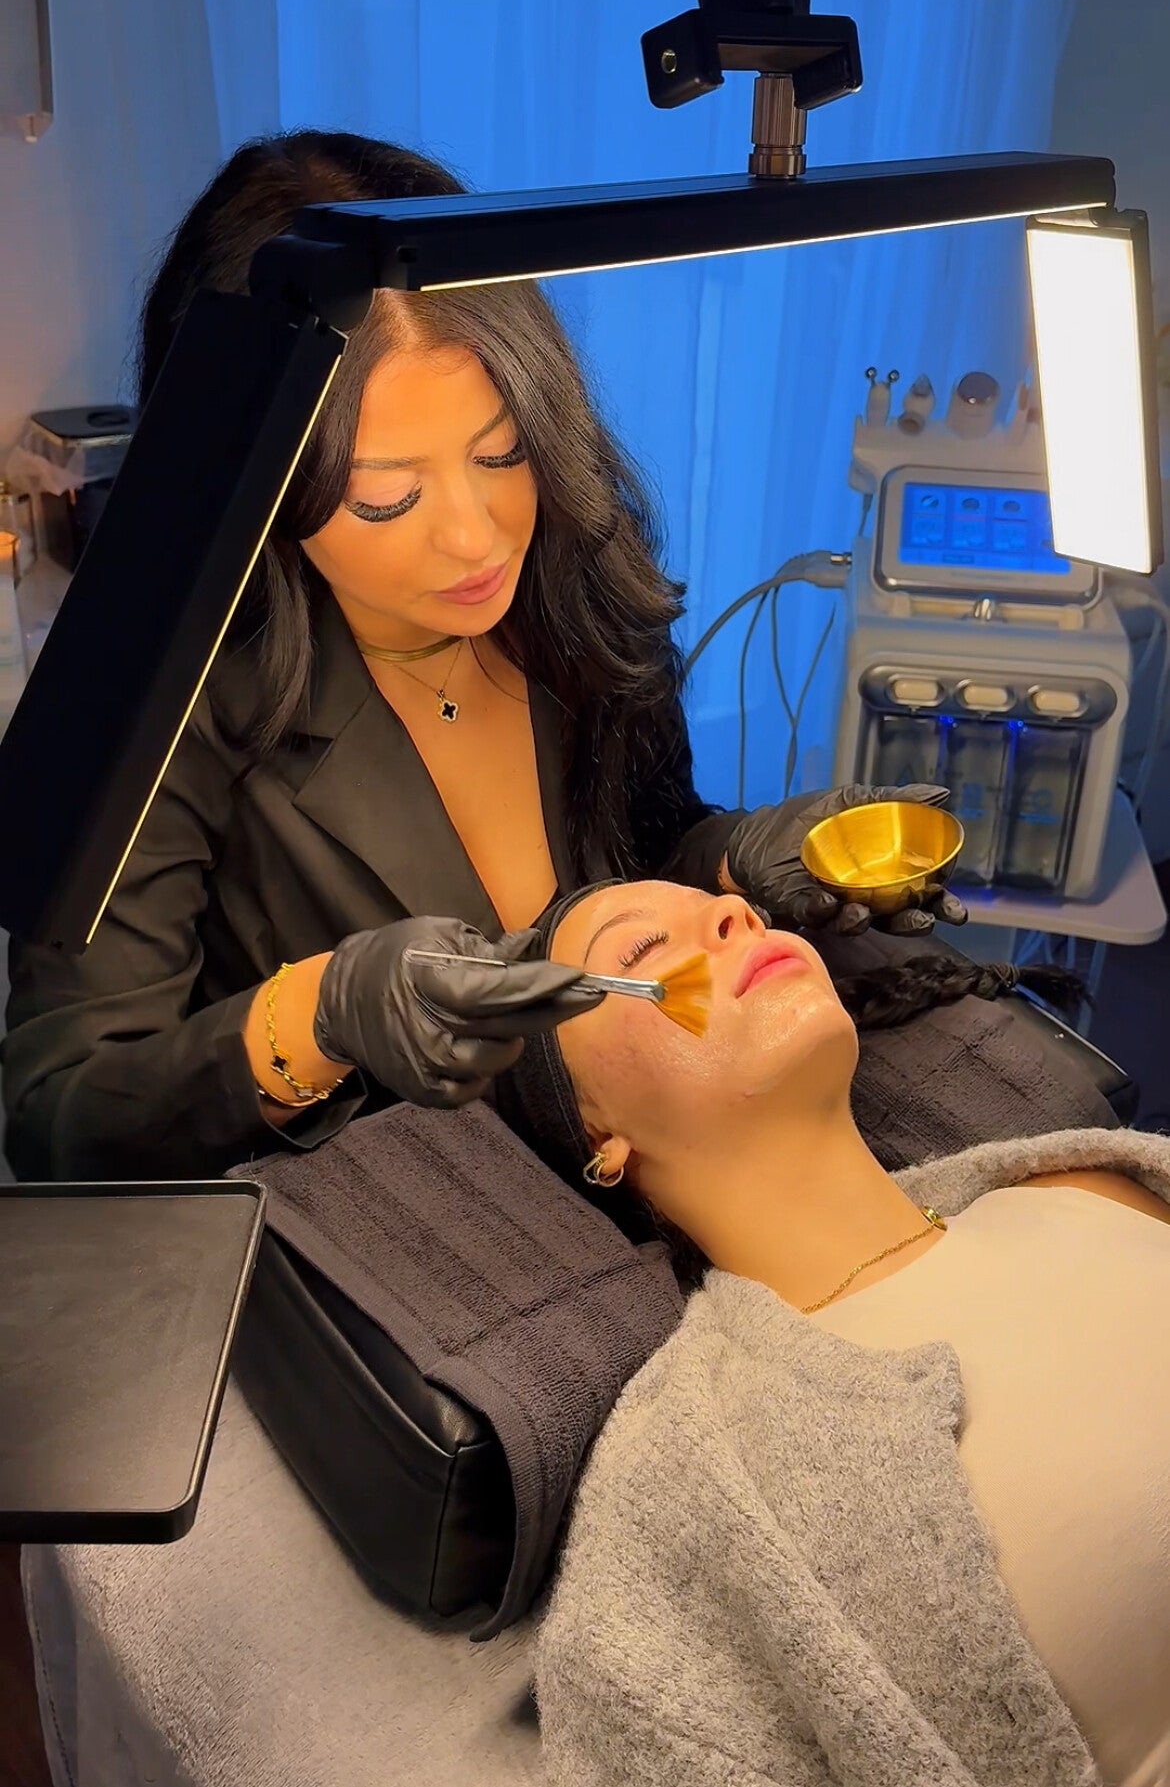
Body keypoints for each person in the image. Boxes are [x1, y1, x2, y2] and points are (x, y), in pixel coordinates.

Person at [1, 128, 962, 1183]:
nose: (477, 536)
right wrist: (316, 1018)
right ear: (252, 485)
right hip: (421, 1229)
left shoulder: (577, 583)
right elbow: (62, 1115)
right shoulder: (153, 706)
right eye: (387, 496)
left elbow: (635, 865)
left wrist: (737, 860)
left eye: (502, 452)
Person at [523, 878, 1170, 1787]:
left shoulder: (1087, 1184)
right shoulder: (684, 1482)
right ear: (599, 1131)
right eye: (640, 951)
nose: (735, 915)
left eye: (736, 911)